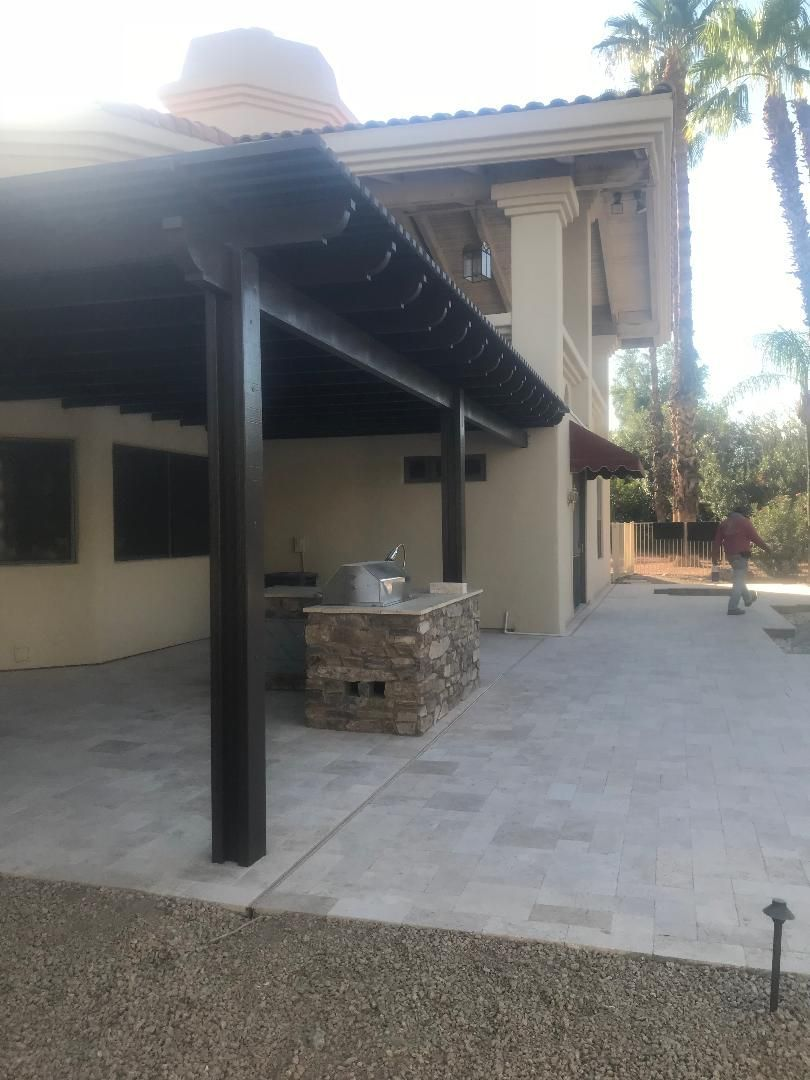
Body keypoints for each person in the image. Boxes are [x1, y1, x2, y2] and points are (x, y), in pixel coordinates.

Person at [712, 507, 771, 616]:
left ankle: (748, 599)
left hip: (730, 556)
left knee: (739, 578)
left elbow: (717, 542)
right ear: (742, 513)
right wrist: (768, 549)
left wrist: (714, 557)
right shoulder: (745, 522)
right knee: (738, 582)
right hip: (741, 556)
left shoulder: (724, 523)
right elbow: (756, 538)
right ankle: (732, 607)